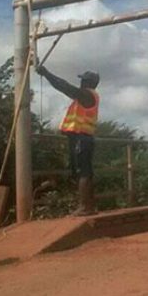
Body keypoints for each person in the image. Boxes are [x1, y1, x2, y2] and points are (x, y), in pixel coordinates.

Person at [37, 66, 100, 216]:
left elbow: (64, 86)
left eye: (83, 80)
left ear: (87, 82)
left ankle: (84, 207)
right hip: (81, 138)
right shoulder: (87, 96)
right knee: (84, 172)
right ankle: (88, 206)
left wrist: (47, 74)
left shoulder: (87, 95)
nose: (80, 83)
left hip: (81, 137)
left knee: (82, 172)